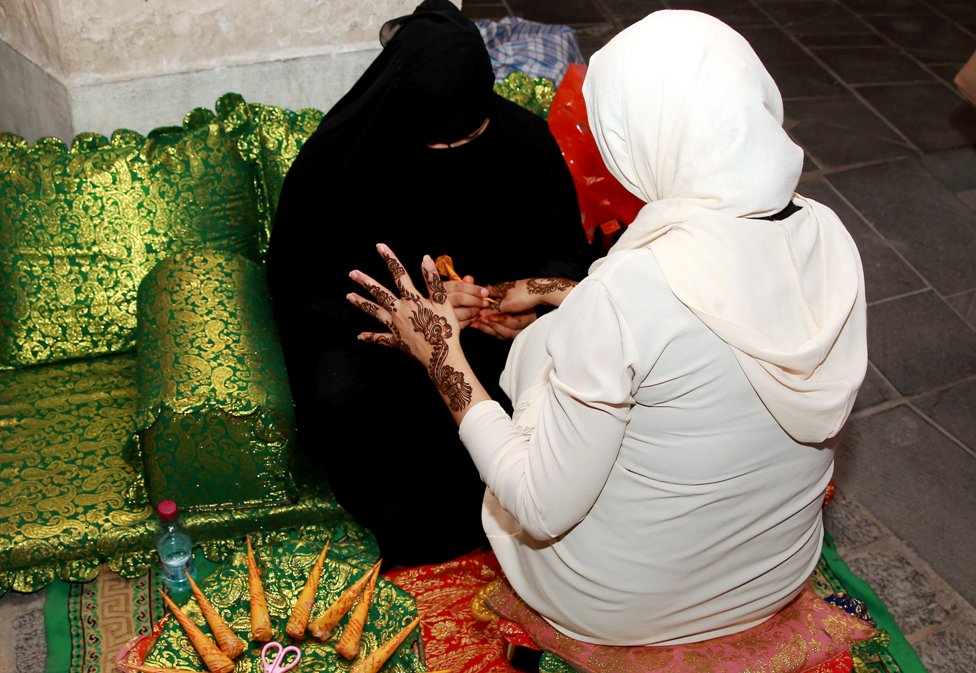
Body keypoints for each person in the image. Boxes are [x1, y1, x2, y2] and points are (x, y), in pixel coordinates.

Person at [347, 9, 868, 646]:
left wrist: (443, 358)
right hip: (770, 577)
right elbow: (710, 309)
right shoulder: (830, 236)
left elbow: (538, 507)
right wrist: (550, 291)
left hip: (622, 606)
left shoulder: (625, 299)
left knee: (527, 445)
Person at [265, 0, 593, 568]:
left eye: (468, 140)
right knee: (341, 390)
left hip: (497, 344)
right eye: (434, 145)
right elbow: (301, 293)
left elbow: (568, 259)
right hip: (380, 347)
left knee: (574, 366)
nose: (449, 156)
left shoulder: (524, 140)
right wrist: (405, 314)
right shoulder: (341, 158)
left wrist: (522, 308)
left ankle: (523, 506)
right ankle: (434, 535)